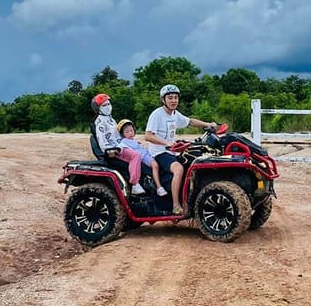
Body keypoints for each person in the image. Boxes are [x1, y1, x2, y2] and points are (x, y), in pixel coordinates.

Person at [145, 84, 218, 215]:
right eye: (170, 98)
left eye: (176, 98)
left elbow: (189, 121)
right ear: (163, 100)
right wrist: (166, 143)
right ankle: (175, 205)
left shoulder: (174, 114)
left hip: (172, 150)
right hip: (159, 152)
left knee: (193, 159)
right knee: (178, 169)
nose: (173, 101)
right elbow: (148, 136)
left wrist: (207, 124)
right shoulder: (157, 114)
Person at [91, 93, 145, 195]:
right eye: (104, 105)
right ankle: (135, 184)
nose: (108, 107)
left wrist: (131, 142)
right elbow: (103, 143)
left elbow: (119, 136)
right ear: (98, 109)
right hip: (115, 151)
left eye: (108, 104)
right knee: (136, 156)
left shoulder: (111, 119)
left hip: (122, 146)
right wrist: (115, 150)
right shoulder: (100, 123)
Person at [117, 119, 168, 197]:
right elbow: (122, 150)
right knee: (154, 165)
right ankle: (159, 187)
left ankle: (159, 186)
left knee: (157, 164)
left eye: (131, 130)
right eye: (127, 132)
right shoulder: (124, 142)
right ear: (123, 134)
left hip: (145, 155)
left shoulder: (135, 141)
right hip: (141, 157)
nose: (130, 133)